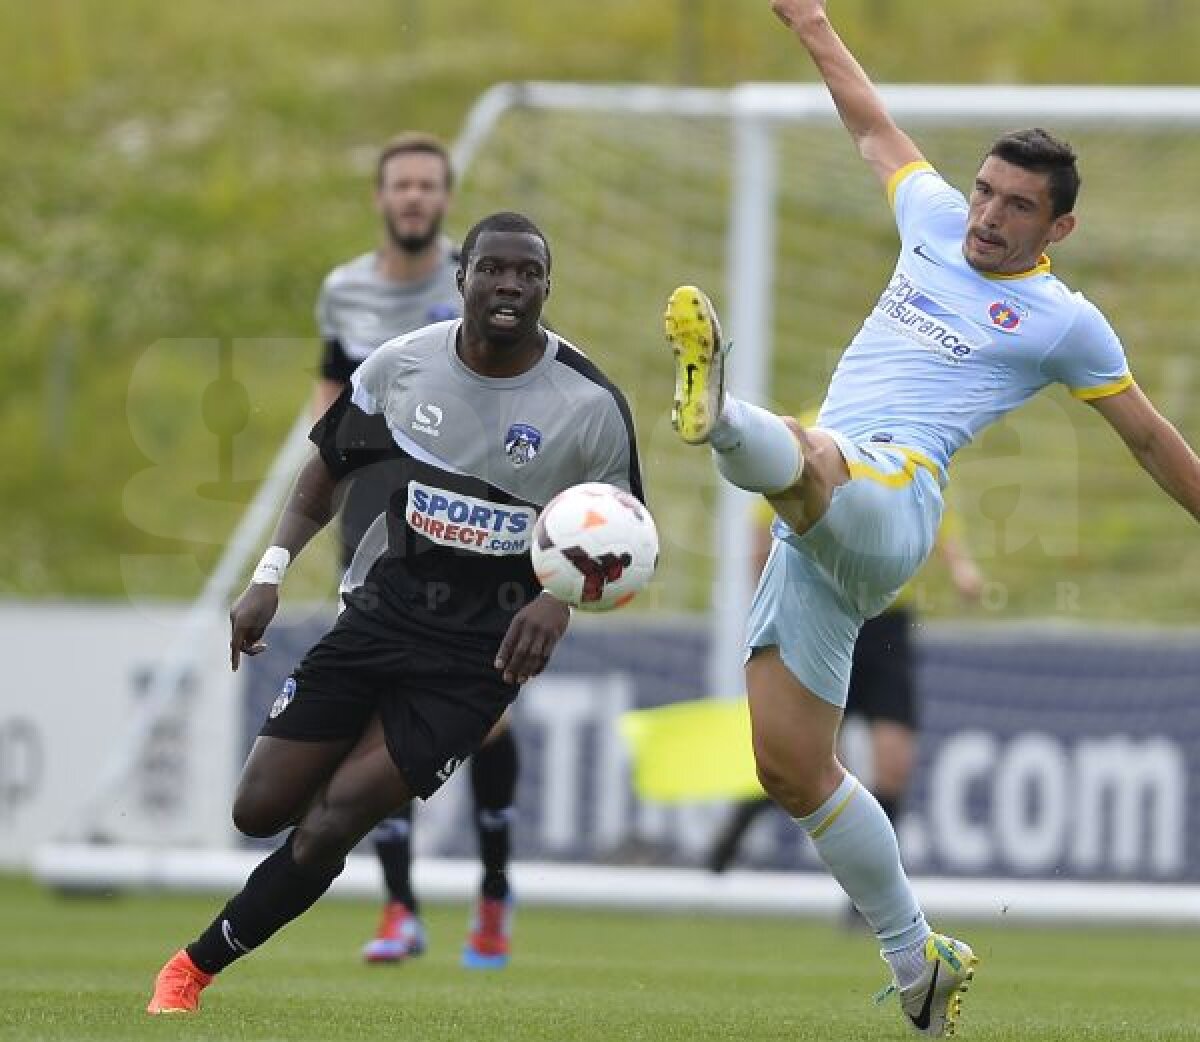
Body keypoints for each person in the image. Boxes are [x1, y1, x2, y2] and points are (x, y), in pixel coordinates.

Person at [664, 1, 1200, 1034]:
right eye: (987, 192)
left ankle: (720, 406)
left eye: (1015, 207)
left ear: (1059, 228)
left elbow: (1146, 436)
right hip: (820, 541)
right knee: (790, 766)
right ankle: (920, 956)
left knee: (810, 451)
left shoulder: (1065, 321)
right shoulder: (929, 218)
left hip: (896, 497)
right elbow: (868, 123)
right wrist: (811, 20)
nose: (988, 216)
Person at [147, 211, 644, 1013]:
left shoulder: (590, 404)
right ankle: (317, 852)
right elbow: (326, 468)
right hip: (379, 618)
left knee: (336, 817)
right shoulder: (401, 366)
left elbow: (626, 538)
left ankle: (190, 971)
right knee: (258, 810)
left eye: (529, 272)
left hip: (478, 661)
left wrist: (559, 600)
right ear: (463, 280)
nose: (510, 284)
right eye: (494, 269)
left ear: (548, 287)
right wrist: (270, 573)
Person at [314, 132, 523, 969]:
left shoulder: (473, 282)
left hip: (471, 511)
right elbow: (333, 391)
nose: (413, 197)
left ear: (445, 197)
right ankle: (400, 905)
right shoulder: (344, 290)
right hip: (373, 516)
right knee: (372, 707)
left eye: (428, 185)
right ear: (381, 195)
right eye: (400, 183)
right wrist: (325, 475)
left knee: (489, 719)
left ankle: (495, 893)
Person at [707, 499, 984, 894]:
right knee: (810, 762)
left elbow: (932, 505)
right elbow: (763, 528)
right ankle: (741, 823)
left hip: (887, 625)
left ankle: (873, 897)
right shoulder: (799, 439)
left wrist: (960, 565)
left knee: (894, 762)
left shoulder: (899, 443)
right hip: (824, 617)